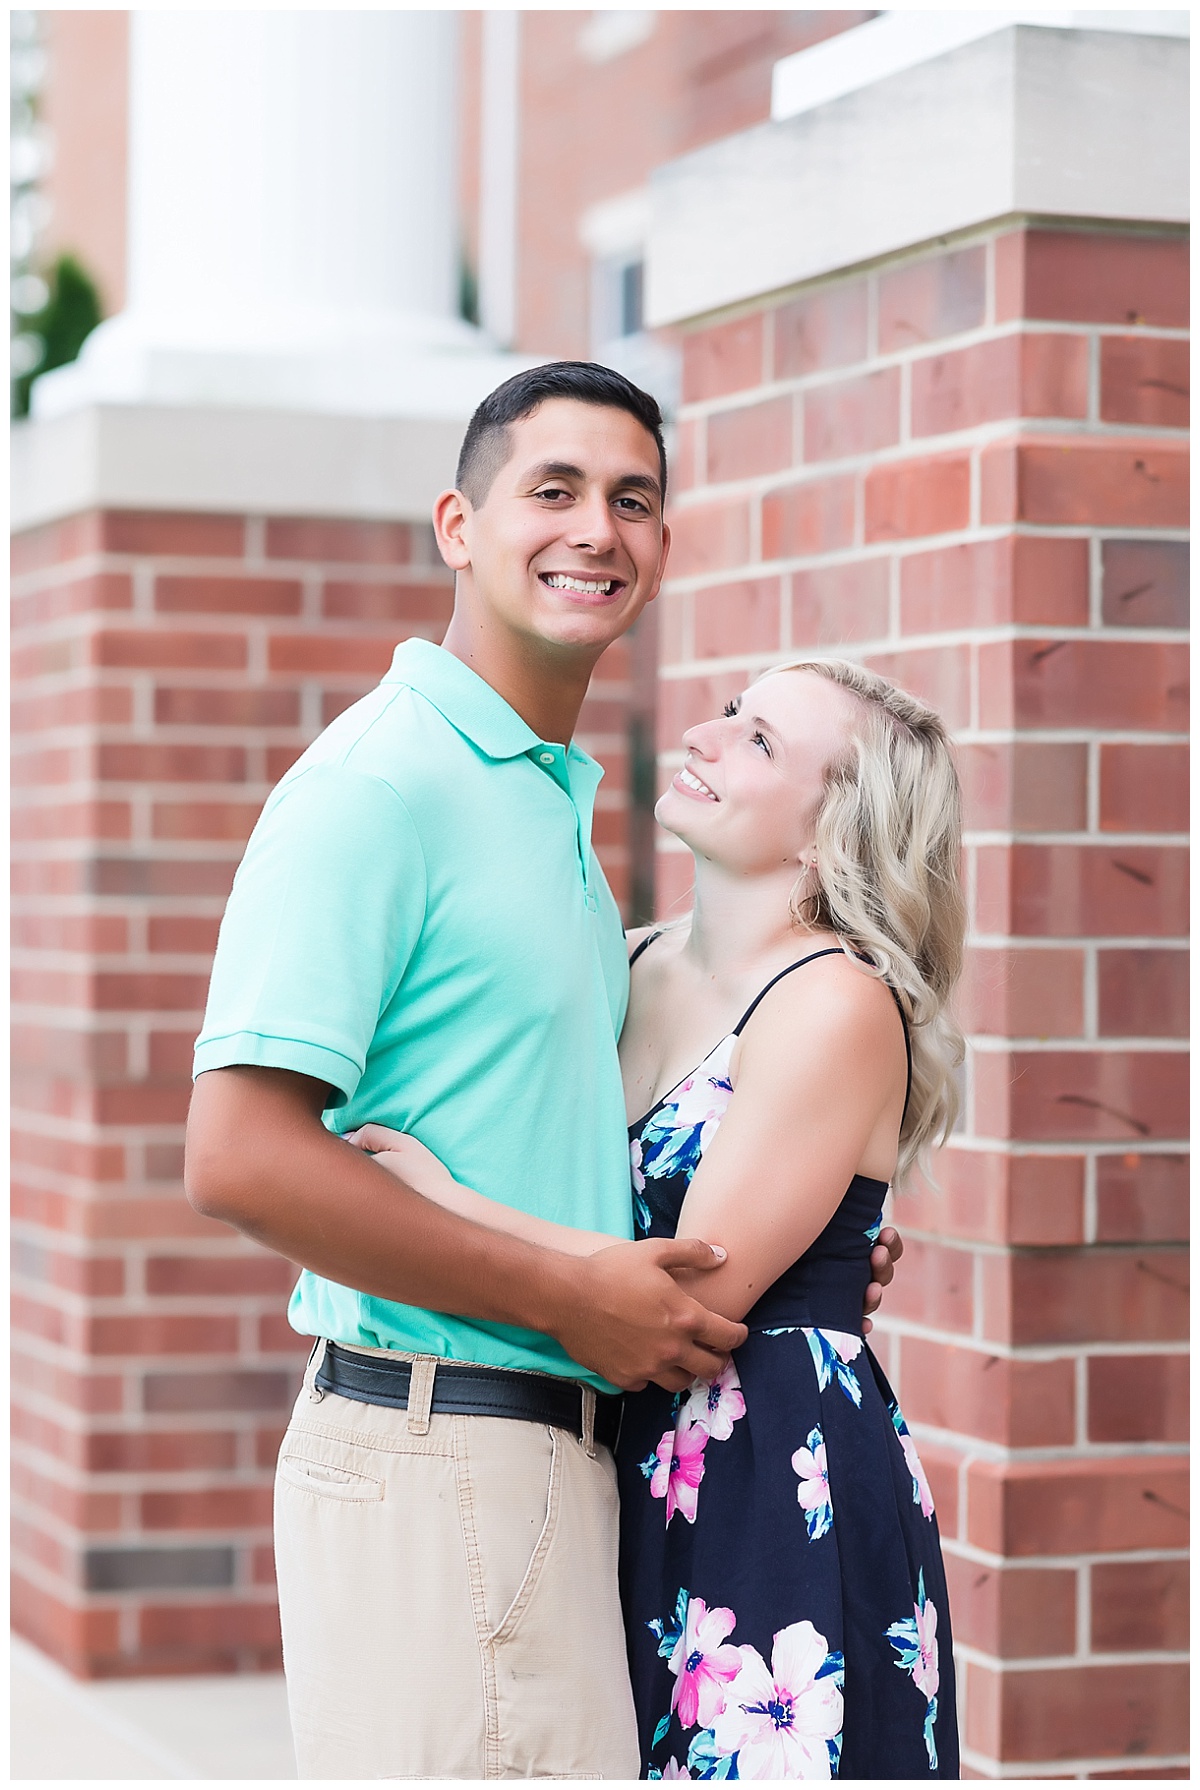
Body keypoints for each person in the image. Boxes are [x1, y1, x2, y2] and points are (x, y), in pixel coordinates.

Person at [184, 362, 902, 1779]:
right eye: (553, 490)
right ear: (458, 523)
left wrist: (814, 1236)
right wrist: (568, 1287)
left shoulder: (549, 820)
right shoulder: (380, 787)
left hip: (547, 1460)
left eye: (632, 499)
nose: (597, 529)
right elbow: (239, 1154)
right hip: (444, 1442)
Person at [354, 658, 965, 1778]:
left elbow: (684, 1301)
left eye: (762, 741)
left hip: (768, 1487)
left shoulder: (833, 998)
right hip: (608, 1460)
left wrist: (439, 1210)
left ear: (837, 828)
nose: (707, 733)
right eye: (732, 711)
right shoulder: (628, 961)